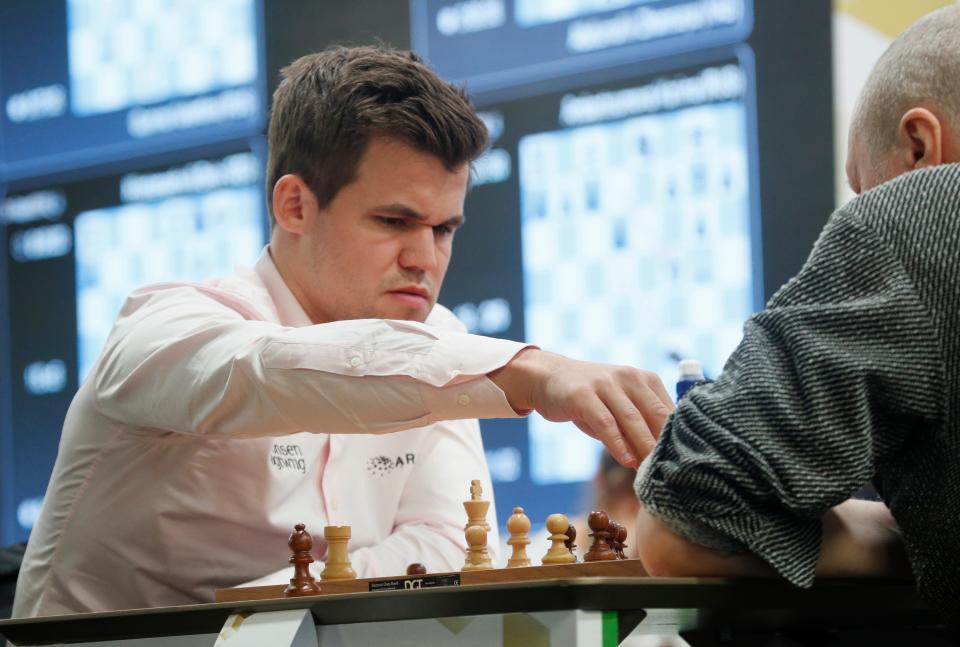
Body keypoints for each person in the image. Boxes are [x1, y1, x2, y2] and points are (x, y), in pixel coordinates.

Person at [12, 46, 672, 617]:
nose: (426, 257)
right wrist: (526, 372)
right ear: (294, 204)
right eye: (394, 221)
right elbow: (268, 372)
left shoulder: (442, 342)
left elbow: (445, 547)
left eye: (444, 229)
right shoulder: (162, 329)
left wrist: (270, 603)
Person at [630, 5, 960, 630]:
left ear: (921, 147)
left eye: (866, 189)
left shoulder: (926, 209)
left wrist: (905, 537)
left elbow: (683, 518)